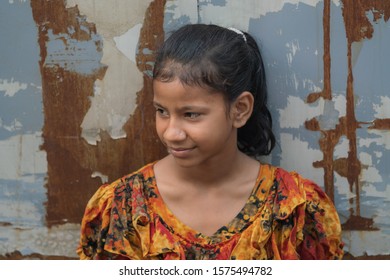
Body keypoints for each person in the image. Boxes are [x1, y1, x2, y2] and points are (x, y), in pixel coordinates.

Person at [77, 24, 344, 260]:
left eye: (191, 114)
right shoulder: (123, 207)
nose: (171, 133)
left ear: (239, 109)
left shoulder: (293, 208)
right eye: (162, 111)